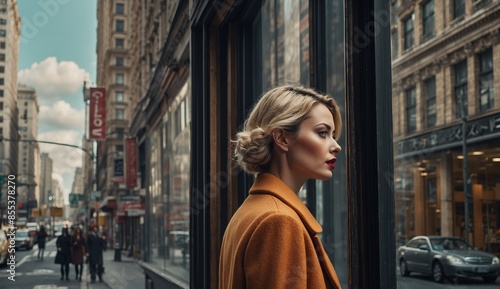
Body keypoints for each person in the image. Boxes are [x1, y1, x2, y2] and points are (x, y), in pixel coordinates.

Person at [218, 85, 343, 289]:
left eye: (333, 135)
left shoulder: (251, 210)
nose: (336, 146)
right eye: (322, 133)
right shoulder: (279, 220)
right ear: (281, 138)